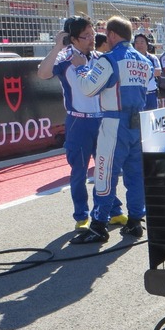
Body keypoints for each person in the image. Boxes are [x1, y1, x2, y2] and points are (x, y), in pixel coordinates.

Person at [71, 16, 153, 244]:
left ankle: (98, 226)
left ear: (114, 35)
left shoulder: (109, 60)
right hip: (138, 124)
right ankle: (135, 222)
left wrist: (80, 70)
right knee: (135, 175)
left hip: (114, 122)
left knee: (105, 173)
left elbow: (89, 88)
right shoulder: (145, 61)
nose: (105, 39)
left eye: (107, 35)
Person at [37, 16, 123, 230]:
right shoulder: (65, 60)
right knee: (79, 171)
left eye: (93, 34)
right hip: (78, 122)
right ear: (73, 39)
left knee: (106, 169)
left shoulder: (100, 58)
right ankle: (81, 216)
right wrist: (58, 45)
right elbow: (42, 73)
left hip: (102, 120)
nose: (92, 39)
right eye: (86, 36)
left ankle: (111, 210)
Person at [133, 34, 161, 112]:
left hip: (151, 94)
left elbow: (158, 72)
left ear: (146, 45)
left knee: (152, 118)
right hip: (137, 94)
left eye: (142, 42)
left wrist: (141, 72)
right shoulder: (131, 58)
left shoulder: (152, 58)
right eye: (137, 43)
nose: (139, 45)